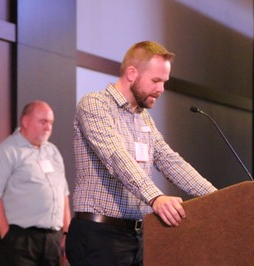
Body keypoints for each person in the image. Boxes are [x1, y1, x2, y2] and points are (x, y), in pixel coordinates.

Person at [66, 41, 217, 265]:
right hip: (99, 236)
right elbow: (117, 157)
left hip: (137, 236)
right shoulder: (95, 105)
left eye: (164, 82)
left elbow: (170, 161)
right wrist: (155, 197)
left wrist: (217, 198)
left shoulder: (143, 117)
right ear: (131, 73)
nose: (161, 89)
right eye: (156, 80)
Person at [0, 100, 71, 266]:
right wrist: (6, 236)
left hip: (53, 241)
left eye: (51, 123)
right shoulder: (6, 151)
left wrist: (66, 233)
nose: (48, 127)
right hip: (21, 240)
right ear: (25, 121)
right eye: (43, 121)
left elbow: (63, 195)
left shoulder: (53, 151)